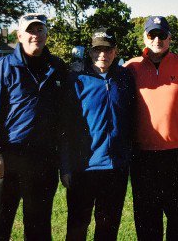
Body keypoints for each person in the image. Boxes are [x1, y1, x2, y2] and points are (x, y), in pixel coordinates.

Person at [0, 13, 67, 240]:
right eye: (30, 30)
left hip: (44, 159)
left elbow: (68, 114)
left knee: (38, 225)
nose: (36, 35)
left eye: (40, 30)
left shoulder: (57, 67)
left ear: (46, 34)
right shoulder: (5, 66)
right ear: (19, 35)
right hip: (9, 157)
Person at [124, 16, 178, 240]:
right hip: (143, 157)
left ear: (170, 38)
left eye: (162, 35)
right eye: (151, 34)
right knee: (147, 222)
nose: (157, 39)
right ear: (144, 37)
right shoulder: (131, 67)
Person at [60, 27, 135, 241]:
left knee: (108, 228)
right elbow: (65, 127)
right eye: (97, 50)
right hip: (83, 168)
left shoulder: (125, 78)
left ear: (115, 51)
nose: (102, 55)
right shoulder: (76, 80)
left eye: (108, 49)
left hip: (115, 168)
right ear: (90, 52)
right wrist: (65, 166)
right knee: (77, 227)